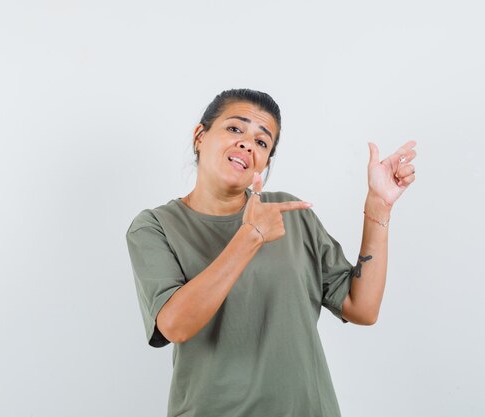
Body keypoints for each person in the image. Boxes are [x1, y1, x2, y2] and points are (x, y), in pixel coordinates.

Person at [126, 88, 417, 416]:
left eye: (262, 142)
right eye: (235, 128)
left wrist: (378, 206)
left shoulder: (288, 213)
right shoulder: (155, 227)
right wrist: (248, 237)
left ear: (264, 162)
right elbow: (173, 326)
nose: (247, 143)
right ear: (200, 136)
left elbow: (361, 309)